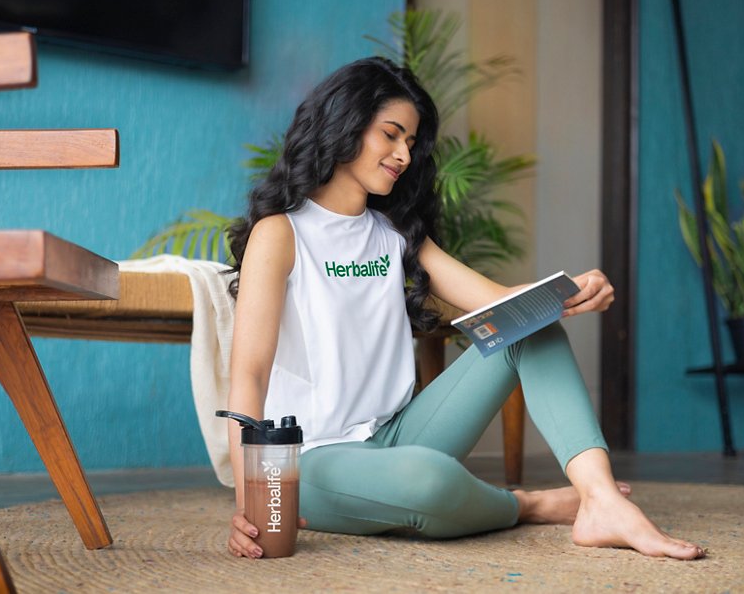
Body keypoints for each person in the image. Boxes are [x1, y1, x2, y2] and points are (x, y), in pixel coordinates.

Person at [224, 56, 705, 561]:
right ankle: (526, 505)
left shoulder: (393, 234)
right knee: (428, 481)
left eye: (410, 143)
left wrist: (574, 291)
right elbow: (249, 377)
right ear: (344, 124)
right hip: (312, 461)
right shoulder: (280, 234)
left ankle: (601, 500)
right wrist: (249, 502)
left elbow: (502, 303)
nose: (404, 155)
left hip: (402, 433)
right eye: (391, 134)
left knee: (528, 325)